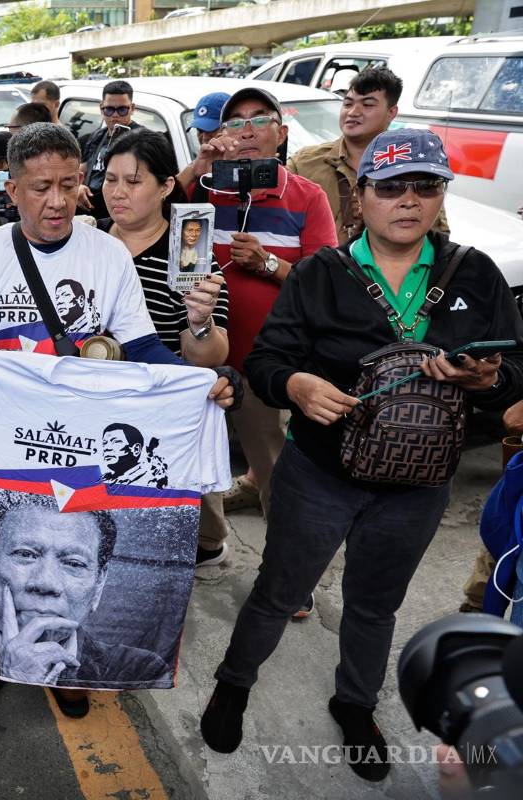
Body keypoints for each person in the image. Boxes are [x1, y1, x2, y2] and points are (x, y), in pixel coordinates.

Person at [199, 129, 523, 782]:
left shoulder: (476, 274)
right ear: (361, 200)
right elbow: (266, 361)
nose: (409, 200)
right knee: (278, 590)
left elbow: (514, 370)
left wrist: (487, 380)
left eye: (425, 186)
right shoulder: (323, 274)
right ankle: (234, 682)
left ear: (440, 198)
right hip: (318, 475)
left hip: (417, 487)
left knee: (375, 604)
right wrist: (298, 386)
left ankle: (354, 704)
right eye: (392, 187)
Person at [0, 123, 235, 720]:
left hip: (83, 444)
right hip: (10, 443)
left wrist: (197, 385)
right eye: (40, 187)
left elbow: (143, 347)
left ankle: (65, 671)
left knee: (65, 552)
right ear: (11, 189)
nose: (57, 201)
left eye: (70, 185)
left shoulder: (107, 254)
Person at [178, 88, 337, 601]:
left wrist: (268, 263)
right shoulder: (206, 190)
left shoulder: (306, 197)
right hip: (197, 357)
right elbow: (154, 213)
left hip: (264, 365)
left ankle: (289, 577)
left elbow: (327, 284)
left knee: (274, 470)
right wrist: (200, 162)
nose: (245, 132)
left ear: (281, 133)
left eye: (258, 121)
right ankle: (208, 542)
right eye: (235, 123)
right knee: (193, 460)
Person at [97, 129, 231, 566]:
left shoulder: (190, 254)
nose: (117, 193)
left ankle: (207, 539)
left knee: (180, 541)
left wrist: (200, 322)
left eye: (133, 181)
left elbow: (210, 359)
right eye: (110, 179)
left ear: (167, 185)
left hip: (161, 415)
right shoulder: (88, 241)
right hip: (94, 407)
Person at [0, 494, 169, 686]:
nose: (46, 583)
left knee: (75, 690)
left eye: (74, 564)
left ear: (99, 582)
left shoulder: (140, 668)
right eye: (26, 554)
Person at [288, 65, 448, 242]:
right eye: (347, 103)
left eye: (368, 105)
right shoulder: (303, 164)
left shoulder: (410, 166)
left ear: (391, 113)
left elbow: (436, 238)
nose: (353, 112)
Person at [78, 81, 144, 219]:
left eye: (122, 110)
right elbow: (80, 170)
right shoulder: (96, 136)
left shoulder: (143, 138)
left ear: (132, 108)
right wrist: (77, 186)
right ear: (101, 108)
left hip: (122, 213)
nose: (115, 115)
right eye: (109, 110)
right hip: (90, 211)